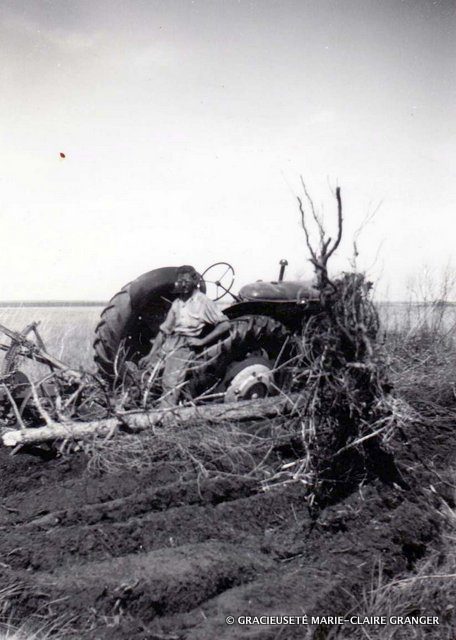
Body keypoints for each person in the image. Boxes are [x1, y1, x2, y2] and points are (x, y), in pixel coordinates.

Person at [140, 265, 230, 408]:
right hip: (169, 343)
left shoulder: (203, 302)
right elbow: (164, 330)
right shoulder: (177, 303)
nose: (183, 284)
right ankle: (143, 407)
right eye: (180, 281)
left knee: (170, 381)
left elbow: (224, 324)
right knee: (146, 372)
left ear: (195, 281)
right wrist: (151, 354)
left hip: (184, 346)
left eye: (186, 281)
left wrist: (201, 341)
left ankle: (165, 417)